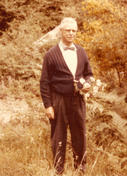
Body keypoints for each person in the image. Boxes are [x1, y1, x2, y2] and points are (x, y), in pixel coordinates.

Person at [40, 17, 93, 175]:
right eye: (68, 30)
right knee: (58, 136)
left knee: (80, 135)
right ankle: (58, 170)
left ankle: (80, 170)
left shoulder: (81, 51)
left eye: (74, 31)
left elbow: (88, 74)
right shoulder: (51, 54)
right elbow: (44, 82)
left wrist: (87, 84)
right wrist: (48, 105)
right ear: (61, 31)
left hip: (78, 100)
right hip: (58, 100)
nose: (71, 33)